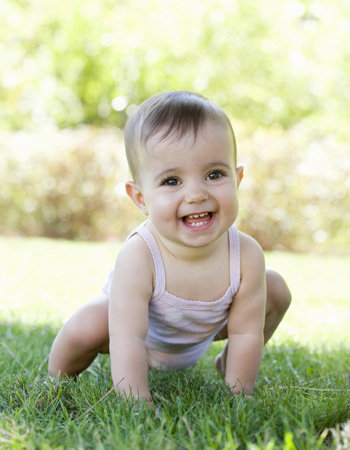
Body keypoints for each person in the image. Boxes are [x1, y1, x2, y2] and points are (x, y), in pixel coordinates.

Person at [48, 90, 291, 408]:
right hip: (140, 339)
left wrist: (239, 396)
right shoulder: (140, 254)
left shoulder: (246, 255)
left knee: (276, 289)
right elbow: (127, 337)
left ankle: (226, 364)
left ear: (238, 179)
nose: (196, 194)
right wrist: (138, 404)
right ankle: (56, 379)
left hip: (204, 333)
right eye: (172, 181)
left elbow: (246, 332)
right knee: (89, 322)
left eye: (214, 175)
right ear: (140, 198)